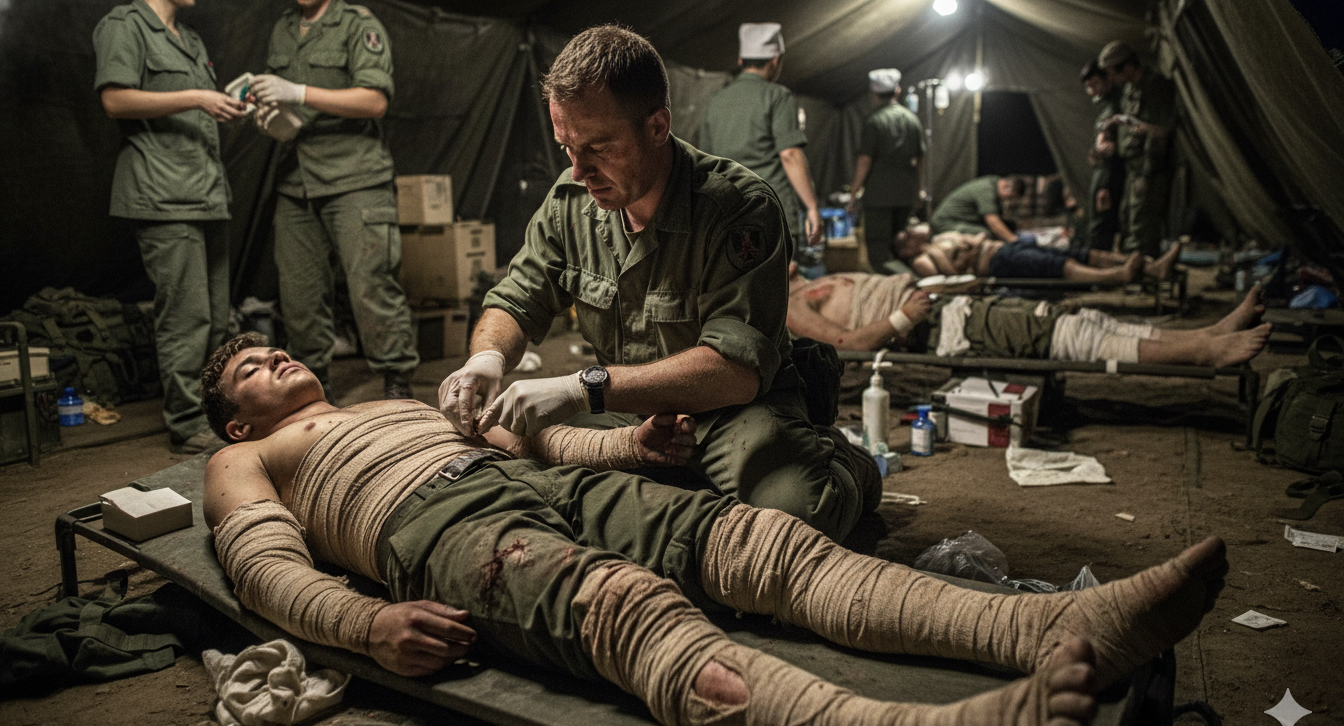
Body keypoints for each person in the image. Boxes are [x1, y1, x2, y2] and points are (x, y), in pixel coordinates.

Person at [203, 330, 1231, 726]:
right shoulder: (252, 460)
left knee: (756, 540)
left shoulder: (393, 396)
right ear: (236, 421)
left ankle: (1052, 621)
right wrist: (364, 622)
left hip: (527, 479)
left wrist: (628, 446)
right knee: (624, 611)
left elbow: (533, 438)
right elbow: (265, 571)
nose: (273, 356)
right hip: (429, 530)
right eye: (250, 366)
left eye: (272, 346)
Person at [439, 26, 879, 543]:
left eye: (599, 148)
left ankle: (847, 465)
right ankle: (669, 474)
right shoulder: (571, 202)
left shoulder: (738, 208)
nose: (580, 172)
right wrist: (486, 359)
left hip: (731, 411)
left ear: (656, 126)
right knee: (499, 443)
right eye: (567, 148)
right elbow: (517, 297)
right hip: (625, 410)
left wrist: (581, 389)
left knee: (797, 518)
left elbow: (734, 372)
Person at [93, 0, 247, 454]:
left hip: (206, 193)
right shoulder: (124, 25)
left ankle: (220, 414)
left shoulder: (191, 38)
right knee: (186, 317)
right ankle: (184, 423)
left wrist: (224, 104)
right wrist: (199, 96)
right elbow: (115, 99)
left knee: (218, 317)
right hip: (161, 194)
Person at [247, 0, 418, 400]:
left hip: (354, 176)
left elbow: (374, 101)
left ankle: (397, 384)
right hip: (296, 180)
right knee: (299, 293)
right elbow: (283, 103)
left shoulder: (358, 24)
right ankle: (314, 387)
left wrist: (298, 91)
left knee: (371, 287)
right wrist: (271, 114)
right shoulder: (284, 28)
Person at [787, 265, 1271, 364]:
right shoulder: (789, 305)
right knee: (1072, 336)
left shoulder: (803, 280)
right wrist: (905, 318)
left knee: (1087, 319)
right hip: (946, 329)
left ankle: (1208, 331)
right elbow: (846, 347)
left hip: (953, 307)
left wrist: (951, 286)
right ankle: (1205, 353)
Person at [698, 23, 823, 249]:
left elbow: (707, 164)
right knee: (778, 281)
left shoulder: (714, 103)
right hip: (771, 210)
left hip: (729, 213)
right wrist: (812, 207)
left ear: (740, 61)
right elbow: (790, 154)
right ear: (775, 60)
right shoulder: (777, 97)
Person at [1098, 41, 1176, 259]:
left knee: (1144, 222)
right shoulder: (1129, 89)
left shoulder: (1155, 85)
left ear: (1128, 67)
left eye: (1112, 72)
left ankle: (1147, 268)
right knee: (1128, 219)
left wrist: (1132, 124)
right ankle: (1135, 267)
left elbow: (1162, 129)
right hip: (1133, 166)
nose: (1111, 78)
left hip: (1149, 166)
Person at [896, 224, 1184, 283]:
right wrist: (965, 251)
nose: (912, 232)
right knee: (1055, 265)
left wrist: (970, 242)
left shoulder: (941, 236)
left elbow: (979, 235)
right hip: (995, 262)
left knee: (1080, 253)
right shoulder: (923, 259)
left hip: (1002, 247)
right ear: (905, 248)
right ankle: (1118, 275)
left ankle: (1151, 266)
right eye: (906, 236)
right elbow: (949, 276)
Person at [847, 68, 925, 276]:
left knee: (880, 254)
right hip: (905, 194)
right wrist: (918, 190)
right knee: (899, 248)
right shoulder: (912, 120)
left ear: (873, 95)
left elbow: (865, 160)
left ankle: (908, 284)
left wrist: (854, 194)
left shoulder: (874, 121)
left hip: (879, 196)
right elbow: (919, 160)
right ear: (897, 91)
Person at [1080, 60, 1126, 252]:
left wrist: (1105, 184)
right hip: (1104, 171)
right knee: (1099, 221)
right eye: (1088, 87)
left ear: (1108, 78)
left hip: (1110, 173)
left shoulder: (1117, 105)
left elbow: (1114, 149)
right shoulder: (1108, 107)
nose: (1092, 91)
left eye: (1095, 84)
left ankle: (1100, 268)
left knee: (1102, 222)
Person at [929, 175, 1023, 241]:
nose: (1007, 200)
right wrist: (1013, 240)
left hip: (962, 221)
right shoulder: (987, 189)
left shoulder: (992, 184)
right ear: (1005, 185)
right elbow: (992, 221)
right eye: (1009, 197)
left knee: (1008, 227)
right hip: (945, 224)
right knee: (985, 233)